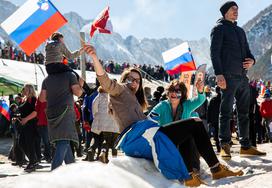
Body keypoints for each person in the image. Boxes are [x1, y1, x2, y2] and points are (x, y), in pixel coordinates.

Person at [84, 45, 243, 187]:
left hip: (144, 135)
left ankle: (190, 175)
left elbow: (198, 101)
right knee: (194, 123)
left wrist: (200, 90)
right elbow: (105, 82)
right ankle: (215, 168)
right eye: (130, 79)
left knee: (189, 132)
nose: (134, 82)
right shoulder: (119, 91)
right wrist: (95, 58)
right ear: (123, 79)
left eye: (137, 80)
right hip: (137, 139)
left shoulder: (135, 100)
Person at [210, 1, 266, 160]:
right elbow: (214, 53)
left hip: (242, 77)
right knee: (225, 111)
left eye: (237, 9)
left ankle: (246, 146)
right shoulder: (219, 29)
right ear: (225, 12)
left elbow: (248, 52)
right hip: (227, 76)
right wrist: (219, 74)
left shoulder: (240, 31)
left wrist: (253, 61)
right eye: (233, 9)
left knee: (244, 113)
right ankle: (225, 146)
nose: (236, 11)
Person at [39, 69, 84, 170]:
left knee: (64, 142)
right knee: (64, 141)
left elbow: (41, 98)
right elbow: (78, 93)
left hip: (52, 114)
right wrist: (80, 85)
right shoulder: (69, 75)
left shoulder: (47, 79)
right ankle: (54, 172)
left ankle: (71, 171)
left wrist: (53, 97)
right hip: (65, 113)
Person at [18, 84, 39, 172]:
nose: (24, 90)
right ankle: (33, 160)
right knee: (22, 142)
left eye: (25, 89)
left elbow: (35, 112)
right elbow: (25, 111)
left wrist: (26, 119)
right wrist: (18, 117)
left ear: (30, 90)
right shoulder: (25, 99)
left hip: (30, 125)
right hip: (25, 125)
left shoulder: (33, 99)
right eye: (24, 89)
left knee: (28, 143)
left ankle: (32, 162)